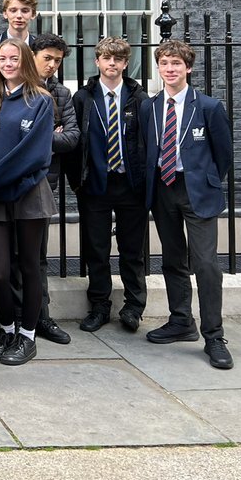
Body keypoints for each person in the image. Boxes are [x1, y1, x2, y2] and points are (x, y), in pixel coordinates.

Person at [139, 40, 234, 370]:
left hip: (196, 192)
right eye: (165, 63)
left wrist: (202, 178)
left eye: (176, 63)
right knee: (172, 259)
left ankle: (214, 336)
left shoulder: (208, 106)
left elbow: (223, 156)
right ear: (159, 67)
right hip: (163, 189)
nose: (170, 69)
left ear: (188, 68)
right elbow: (146, 148)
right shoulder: (149, 107)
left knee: (206, 264)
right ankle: (181, 321)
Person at [0, 39, 55, 367]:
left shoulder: (40, 100)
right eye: (2, 58)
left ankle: (27, 335)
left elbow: (34, 155)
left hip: (29, 196)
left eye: (14, 58)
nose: (8, 63)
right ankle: (7, 329)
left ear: (24, 60)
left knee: (28, 268)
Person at [68, 37, 148, 335]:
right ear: (97, 62)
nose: (111, 63)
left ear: (126, 63)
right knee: (96, 249)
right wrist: (78, 182)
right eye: (106, 58)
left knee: (132, 249)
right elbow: (75, 144)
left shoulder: (138, 98)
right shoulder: (83, 98)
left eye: (118, 59)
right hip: (96, 185)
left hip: (130, 185)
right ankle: (99, 305)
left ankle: (133, 306)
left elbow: (147, 143)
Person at [23, 33, 80, 345]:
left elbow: (71, 138)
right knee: (9, 256)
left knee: (37, 256)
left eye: (57, 60)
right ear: (33, 56)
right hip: (11, 182)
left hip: (45, 182)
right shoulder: (14, 87)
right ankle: (15, 317)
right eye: (47, 58)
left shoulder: (61, 93)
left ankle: (40, 317)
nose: (52, 65)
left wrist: (35, 135)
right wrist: (47, 134)